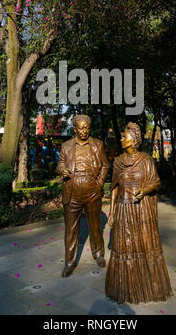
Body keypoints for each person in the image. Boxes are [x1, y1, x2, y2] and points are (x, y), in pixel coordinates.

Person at [105, 122, 173, 304]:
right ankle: (125, 289)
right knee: (125, 247)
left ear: (134, 140)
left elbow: (156, 182)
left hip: (141, 209)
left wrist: (144, 191)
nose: (121, 139)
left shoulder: (146, 160)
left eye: (124, 136)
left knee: (144, 245)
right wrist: (111, 212)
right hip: (123, 209)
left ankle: (149, 287)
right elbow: (114, 188)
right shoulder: (118, 162)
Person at [57, 114, 109, 278]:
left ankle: (99, 254)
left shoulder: (97, 145)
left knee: (95, 225)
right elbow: (60, 164)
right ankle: (69, 263)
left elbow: (105, 165)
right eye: (81, 128)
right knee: (71, 230)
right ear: (75, 129)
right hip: (72, 191)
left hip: (91, 190)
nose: (85, 130)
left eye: (87, 127)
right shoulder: (66, 146)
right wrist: (62, 170)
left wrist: (99, 183)